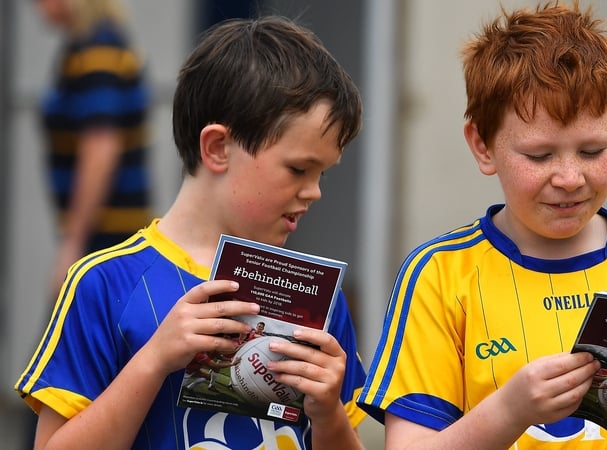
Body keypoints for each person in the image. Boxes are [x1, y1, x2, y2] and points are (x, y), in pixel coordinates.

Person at [358, 2, 607, 449]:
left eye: (591, 151)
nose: (570, 178)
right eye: (539, 156)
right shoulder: (440, 275)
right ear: (482, 145)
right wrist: (509, 411)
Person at [15, 14, 367, 450]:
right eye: (298, 168)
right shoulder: (104, 283)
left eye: (322, 174)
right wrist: (154, 360)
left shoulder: (320, 300)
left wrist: (329, 413)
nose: (313, 192)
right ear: (218, 147)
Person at [33, 0, 153, 299]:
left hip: (106, 242)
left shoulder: (97, 51)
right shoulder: (91, 45)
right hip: (107, 240)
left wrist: (74, 243)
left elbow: (101, 147)